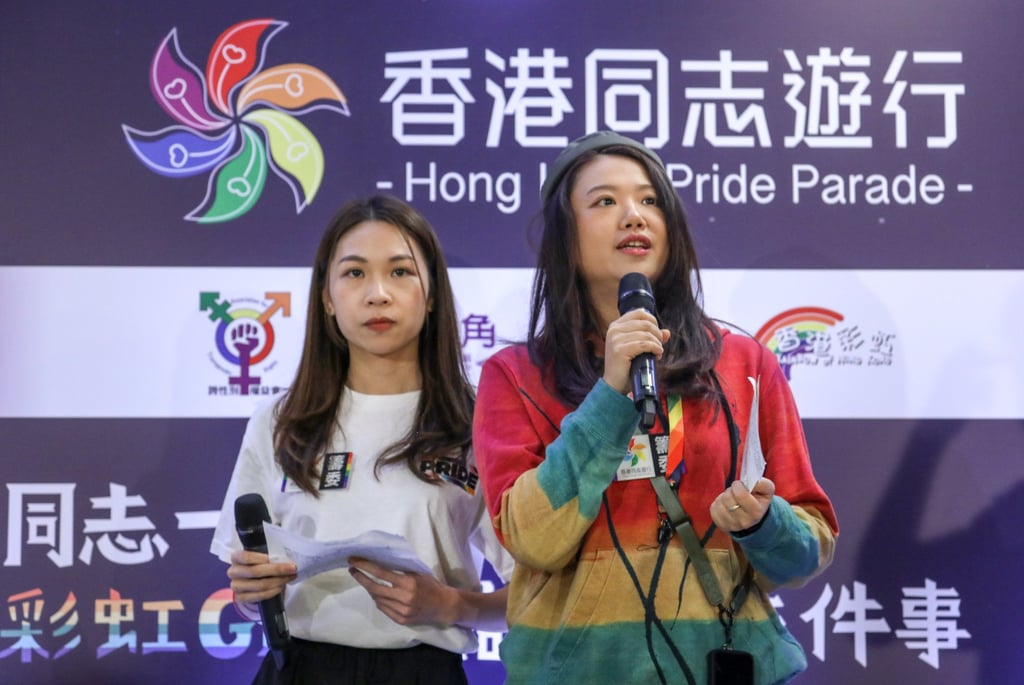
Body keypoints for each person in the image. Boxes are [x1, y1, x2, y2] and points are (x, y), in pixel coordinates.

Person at [472, 131, 839, 685]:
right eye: (604, 201)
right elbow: (532, 539)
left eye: (650, 200)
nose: (634, 216)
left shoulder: (745, 363)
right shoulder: (515, 376)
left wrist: (764, 523)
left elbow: (809, 549)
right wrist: (609, 394)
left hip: (719, 666)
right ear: (565, 236)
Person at [211, 195, 514, 685]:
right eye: (354, 273)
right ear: (327, 298)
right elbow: (249, 594)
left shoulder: (477, 423)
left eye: (400, 272)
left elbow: (534, 598)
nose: (377, 294)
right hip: (299, 670)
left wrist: (450, 605)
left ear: (432, 294)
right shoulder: (280, 421)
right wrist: (251, 593)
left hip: (424, 672)